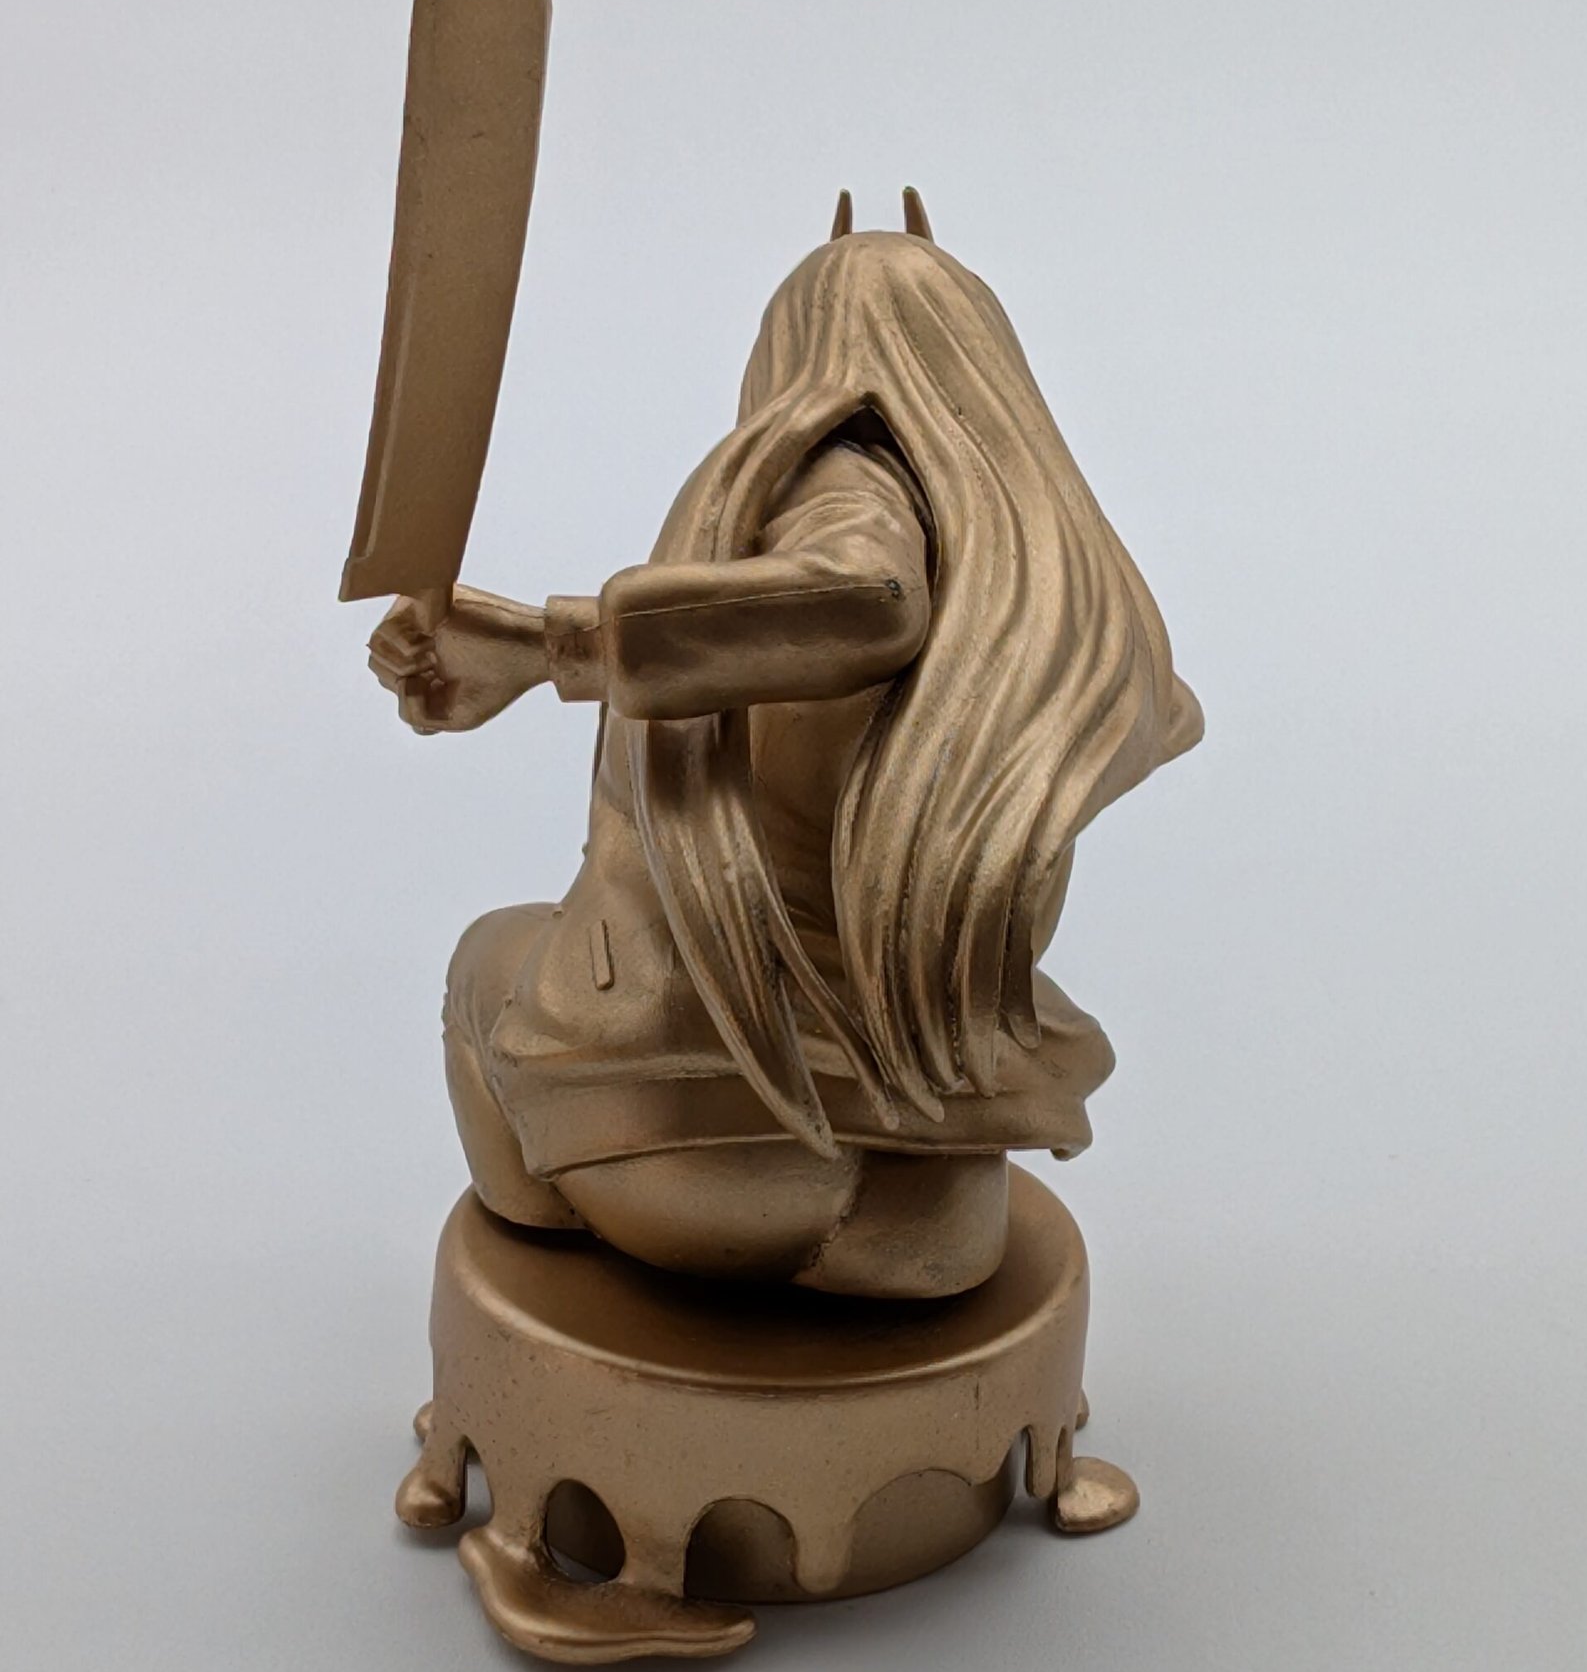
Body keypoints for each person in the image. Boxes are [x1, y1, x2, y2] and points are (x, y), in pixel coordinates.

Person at [368, 210, 1202, 1298]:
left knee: (490, 957)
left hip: (692, 1162)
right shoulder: (1045, 608)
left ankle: (551, 1231)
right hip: (942, 1208)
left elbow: (867, 597)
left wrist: (545, 645)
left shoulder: (837, 478)